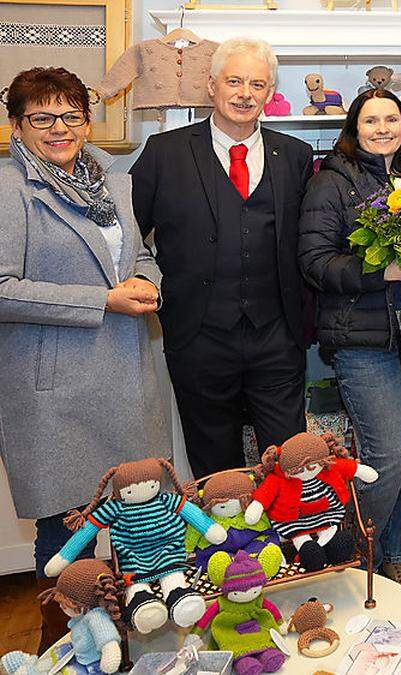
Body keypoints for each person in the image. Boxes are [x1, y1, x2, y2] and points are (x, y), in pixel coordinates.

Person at [0, 67, 170, 652]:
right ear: (16, 125)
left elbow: (140, 253)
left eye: (71, 115)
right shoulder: (10, 190)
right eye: (41, 117)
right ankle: (69, 651)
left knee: (136, 521)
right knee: (65, 532)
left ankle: (134, 641)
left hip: (127, 376)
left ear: (86, 120)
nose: (58, 129)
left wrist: (147, 281)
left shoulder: (112, 183)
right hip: (54, 391)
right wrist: (102, 300)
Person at [298, 88, 401, 599]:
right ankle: (348, 555)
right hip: (364, 344)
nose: (383, 128)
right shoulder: (330, 183)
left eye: (392, 119)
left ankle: (399, 554)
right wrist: (382, 269)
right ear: (354, 127)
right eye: (372, 120)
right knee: (385, 455)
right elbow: (316, 263)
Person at [131, 37, 314, 477]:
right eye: (234, 81)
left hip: (277, 337)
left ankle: (291, 547)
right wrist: (143, 280)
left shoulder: (295, 156)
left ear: (270, 94)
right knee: (216, 473)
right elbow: (125, 233)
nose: (245, 93)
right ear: (211, 85)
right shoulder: (164, 153)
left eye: (257, 83)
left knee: (292, 462)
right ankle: (226, 548)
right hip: (198, 337)